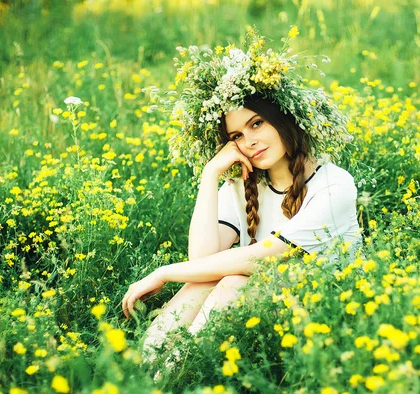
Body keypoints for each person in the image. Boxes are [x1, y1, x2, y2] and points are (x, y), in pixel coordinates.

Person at [121, 30, 361, 365]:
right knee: (206, 282)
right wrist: (210, 175)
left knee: (233, 280)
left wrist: (164, 272)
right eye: (237, 135)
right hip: (260, 309)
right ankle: (144, 374)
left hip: (321, 316)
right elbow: (201, 260)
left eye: (258, 123)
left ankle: (177, 375)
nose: (249, 141)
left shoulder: (334, 186)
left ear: (283, 119)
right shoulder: (241, 187)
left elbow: (264, 257)